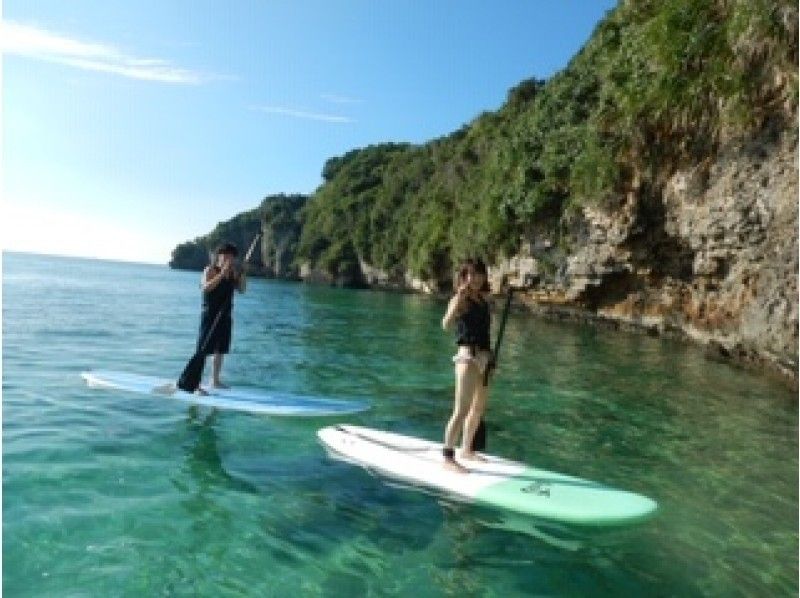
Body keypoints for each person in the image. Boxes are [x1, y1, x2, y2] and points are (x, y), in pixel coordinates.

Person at [441, 258, 492, 473]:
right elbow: (445, 325)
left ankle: (467, 449)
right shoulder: (459, 299)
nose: (474, 278)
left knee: (478, 408)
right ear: (463, 277)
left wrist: (490, 358)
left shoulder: (484, 300)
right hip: (467, 357)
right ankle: (448, 457)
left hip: (485, 358)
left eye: (478, 274)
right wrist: (457, 303)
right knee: (461, 410)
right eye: (469, 274)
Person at [197, 242, 247, 392]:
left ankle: (215, 380)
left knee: (220, 350)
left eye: (231, 256)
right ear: (219, 256)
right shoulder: (209, 270)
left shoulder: (233, 274)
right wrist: (221, 274)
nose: (228, 258)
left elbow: (242, 290)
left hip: (225, 315)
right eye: (225, 255)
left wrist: (243, 274)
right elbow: (206, 287)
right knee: (203, 349)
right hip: (210, 315)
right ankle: (196, 384)